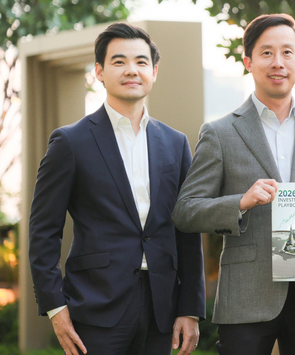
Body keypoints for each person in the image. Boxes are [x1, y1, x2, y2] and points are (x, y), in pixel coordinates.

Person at [172, 13, 295, 355]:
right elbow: (185, 211)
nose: (278, 62)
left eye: (287, 52)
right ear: (248, 61)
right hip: (246, 297)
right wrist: (240, 202)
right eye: (266, 53)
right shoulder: (220, 132)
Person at [28, 22, 206, 355]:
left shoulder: (175, 143)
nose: (131, 70)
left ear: (154, 72)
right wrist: (55, 306)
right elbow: (43, 231)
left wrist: (190, 307)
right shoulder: (70, 142)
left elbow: (187, 229)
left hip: (161, 305)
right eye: (119, 61)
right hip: (95, 304)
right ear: (99, 71)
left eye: (141, 62)